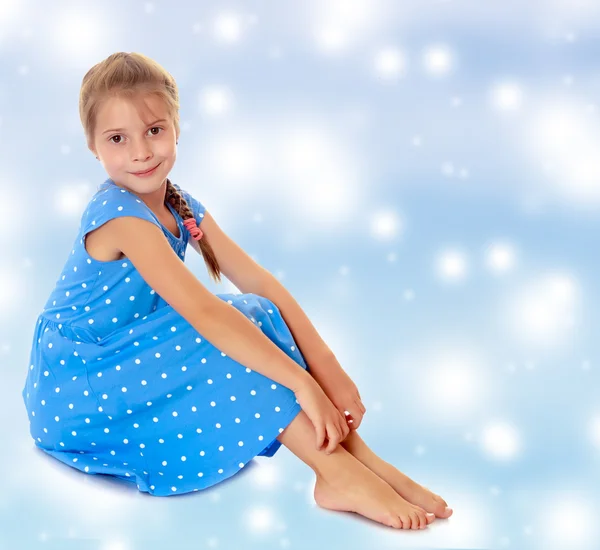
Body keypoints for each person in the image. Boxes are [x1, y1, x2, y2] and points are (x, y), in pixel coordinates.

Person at [21, 52, 452, 530]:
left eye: (154, 131)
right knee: (229, 327)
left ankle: (359, 461)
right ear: (92, 147)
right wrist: (303, 383)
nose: (141, 152)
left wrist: (329, 370)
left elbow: (260, 283)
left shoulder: (179, 203)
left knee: (257, 310)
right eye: (118, 139)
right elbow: (204, 314)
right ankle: (335, 470)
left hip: (127, 351)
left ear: (177, 128)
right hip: (77, 385)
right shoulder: (121, 216)